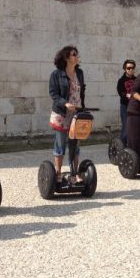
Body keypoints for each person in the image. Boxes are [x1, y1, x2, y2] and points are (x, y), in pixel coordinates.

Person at [48, 45, 85, 182]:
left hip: (76, 113)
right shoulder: (56, 74)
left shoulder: (79, 73)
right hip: (62, 114)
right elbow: (54, 94)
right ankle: (57, 173)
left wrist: (82, 108)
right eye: (74, 54)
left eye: (77, 54)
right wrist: (65, 103)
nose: (77, 56)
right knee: (61, 144)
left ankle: (75, 173)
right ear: (66, 57)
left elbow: (82, 92)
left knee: (75, 143)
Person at [116, 59, 136, 143]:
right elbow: (121, 93)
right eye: (128, 68)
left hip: (135, 106)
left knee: (134, 126)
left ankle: (131, 143)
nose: (131, 70)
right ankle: (121, 145)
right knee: (126, 125)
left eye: (132, 68)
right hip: (125, 106)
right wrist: (128, 95)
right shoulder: (121, 81)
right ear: (125, 68)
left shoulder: (137, 79)